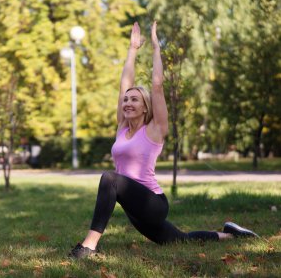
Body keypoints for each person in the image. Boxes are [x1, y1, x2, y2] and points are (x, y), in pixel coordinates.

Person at [68, 21, 258, 259]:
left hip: (153, 204)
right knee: (181, 240)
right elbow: (124, 85)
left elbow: (157, 86)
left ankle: (88, 247)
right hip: (135, 209)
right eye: (126, 100)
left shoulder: (155, 130)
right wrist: (133, 50)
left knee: (110, 178)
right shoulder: (122, 127)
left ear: (145, 106)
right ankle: (230, 234)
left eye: (134, 100)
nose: (127, 103)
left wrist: (157, 48)